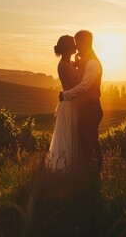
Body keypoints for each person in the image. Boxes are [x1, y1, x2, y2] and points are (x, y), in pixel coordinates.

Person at [60, 30, 103, 180]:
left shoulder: (92, 62)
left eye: (77, 42)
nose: (76, 46)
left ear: (84, 43)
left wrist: (65, 95)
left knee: (90, 142)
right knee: (85, 142)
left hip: (91, 109)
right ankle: (88, 175)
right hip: (86, 109)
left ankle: (95, 175)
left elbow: (84, 86)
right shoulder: (86, 60)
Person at [45, 35, 81, 172]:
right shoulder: (63, 65)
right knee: (68, 136)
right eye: (73, 44)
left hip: (72, 102)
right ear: (68, 48)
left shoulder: (69, 63)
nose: (76, 46)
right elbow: (76, 84)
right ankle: (64, 168)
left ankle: (71, 167)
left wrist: (77, 65)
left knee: (72, 136)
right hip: (69, 104)